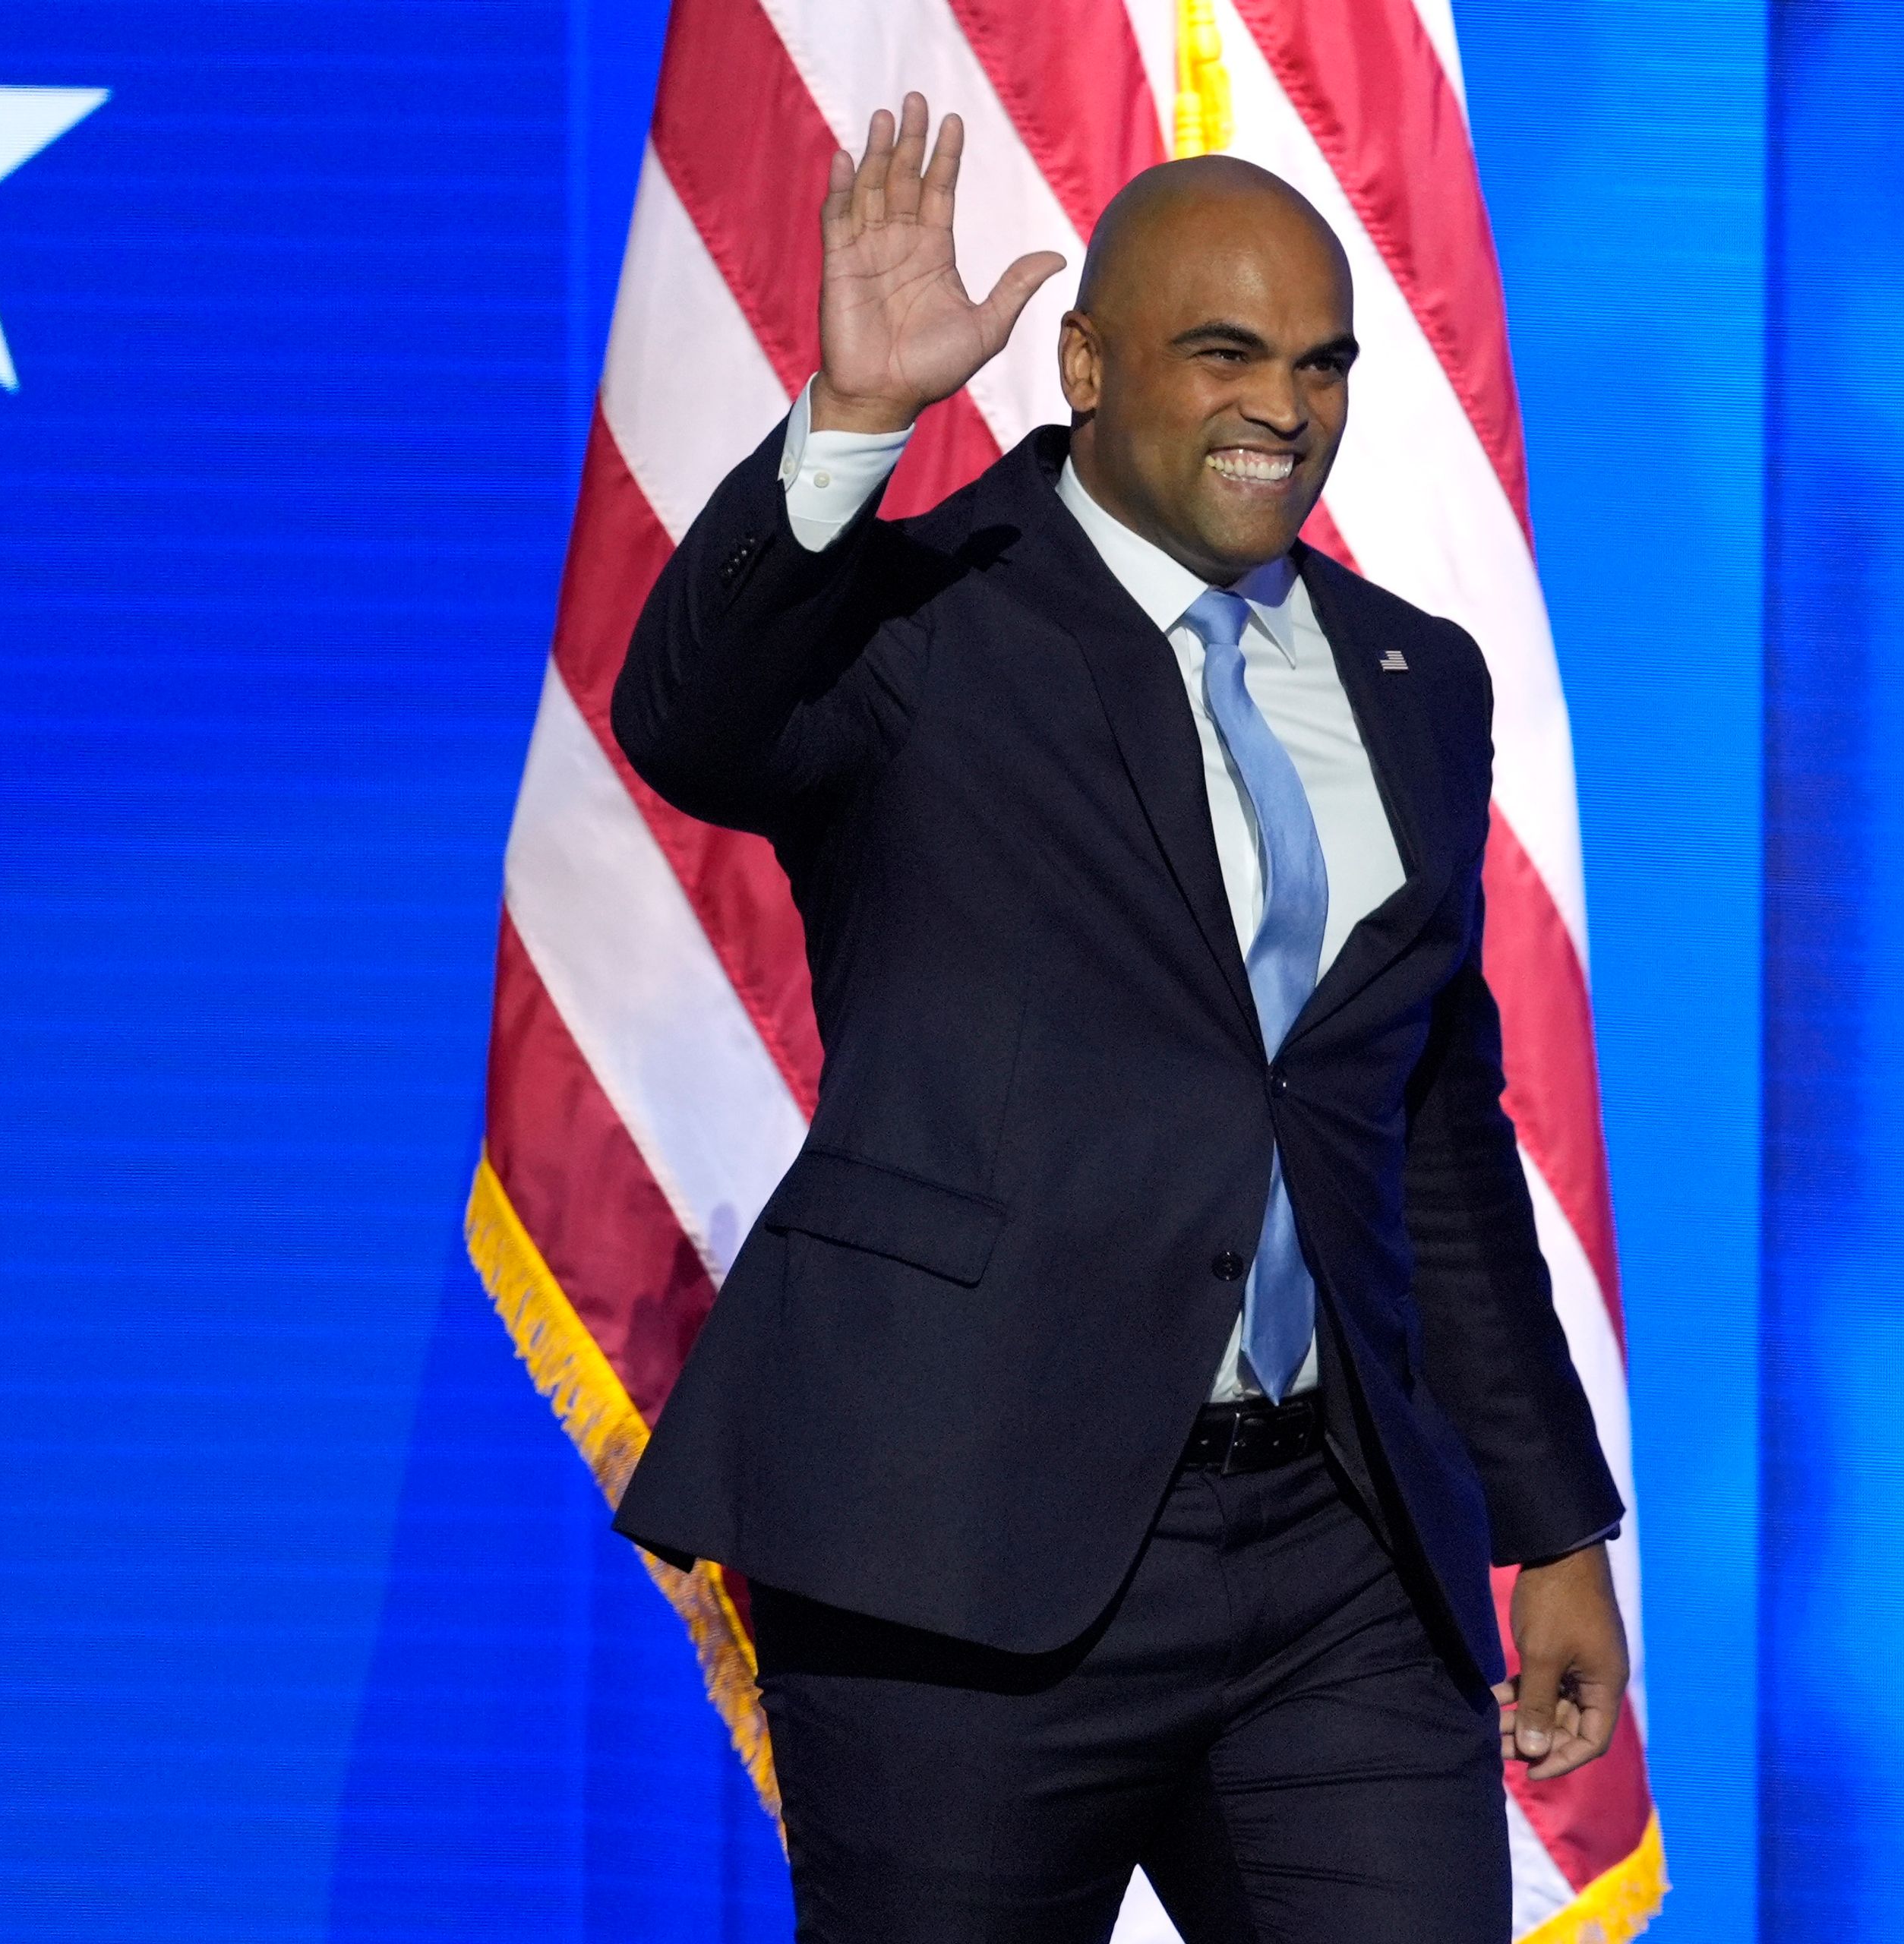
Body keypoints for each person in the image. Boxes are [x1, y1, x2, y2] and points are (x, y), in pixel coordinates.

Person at [610, 91, 1627, 1944]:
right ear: (1084, 362)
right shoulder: (920, 621)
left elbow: (1429, 1123)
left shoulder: (1413, 677)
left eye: (1323, 362)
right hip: (956, 1537)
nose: (1285, 407)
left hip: (1335, 1551)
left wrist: (1554, 1525)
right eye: (1221, 350)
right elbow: (684, 721)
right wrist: (851, 428)